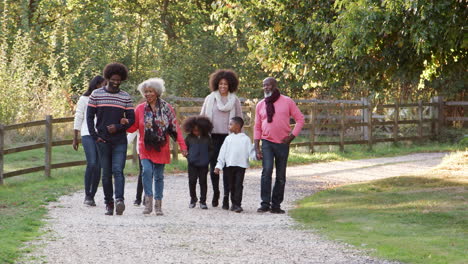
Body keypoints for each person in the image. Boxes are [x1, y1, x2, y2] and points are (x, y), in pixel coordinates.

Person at [126, 78, 187, 216]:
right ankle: (148, 203)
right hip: (145, 147)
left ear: (157, 92)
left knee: (159, 176)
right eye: (145, 92)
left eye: (150, 91)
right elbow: (133, 127)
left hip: (161, 147)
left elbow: (175, 128)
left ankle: (158, 205)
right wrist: (125, 123)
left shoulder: (167, 108)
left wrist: (183, 147)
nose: (147, 94)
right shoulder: (140, 109)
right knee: (146, 171)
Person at [87, 63, 135, 216]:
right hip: (103, 141)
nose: (116, 82)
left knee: (118, 170)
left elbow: (132, 119)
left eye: (119, 80)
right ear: (107, 78)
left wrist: (118, 127)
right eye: (113, 79)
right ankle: (109, 203)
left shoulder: (125, 97)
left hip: (119, 140)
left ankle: (119, 199)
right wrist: (95, 136)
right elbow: (89, 117)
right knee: (106, 173)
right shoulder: (96, 95)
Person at [254, 77, 304, 214]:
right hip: (267, 142)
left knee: (281, 175)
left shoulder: (287, 101)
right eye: (264, 85)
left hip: (282, 143)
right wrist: (256, 147)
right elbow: (257, 126)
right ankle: (265, 203)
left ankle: (276, 205)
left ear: (275, 85)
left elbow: (300, 119)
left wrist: (291, 137)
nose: (266, 88)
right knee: (267, 171)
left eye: (268, 85)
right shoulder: (260, 105)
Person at [200, 69, 242, 208]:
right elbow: (202, 118)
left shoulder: (234, 100)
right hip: (213, 137)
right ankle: (216, 192)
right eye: (220, 84)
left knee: (227, 167)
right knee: (214, 167)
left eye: (226, 84)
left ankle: (226, 196)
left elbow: (239, 120)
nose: (223, 86)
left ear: (230, 85)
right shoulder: (210, 98)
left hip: (229, 138)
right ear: (216, 84)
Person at [73, 75, 106, 206]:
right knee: (92, 163)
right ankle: (87, 194)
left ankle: (92, 195)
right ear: (97, 85)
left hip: (101, 134)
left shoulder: (104, 99)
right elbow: (79, 116)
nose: (105, 87)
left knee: (98, 166)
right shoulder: (84, 99)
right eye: (104, 84)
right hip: (87, 133)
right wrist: (75, 137)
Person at [214, 117, 252, 213]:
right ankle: (231, 202)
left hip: (241, 166)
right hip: (229, 166)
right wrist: (218, 166)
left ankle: (237, 204)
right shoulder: (228, 139)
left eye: (231, 124)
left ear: (237, 126)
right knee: (231, 185)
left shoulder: (246, 139)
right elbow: (222, 153)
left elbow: (251, 152)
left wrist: (257, 156)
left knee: (238, 185)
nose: (228, 126)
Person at [183, 116, 213, 209]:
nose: (196, 132)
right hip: (192, 164)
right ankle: (193, 199)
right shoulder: (189, 138)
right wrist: (189, 157)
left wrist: (207, 159)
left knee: (203, 182)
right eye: (194, 130)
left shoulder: (207, 138)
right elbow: (185, 149)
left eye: (198, 130)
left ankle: (203, 201)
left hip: (204, 165)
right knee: (192, 181)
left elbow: (211, 150)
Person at [127, 131, 143, 206]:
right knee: (143, 173)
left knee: (150, 173)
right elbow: (132, 132)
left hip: (154, 149)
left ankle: (147, 196)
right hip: (142, 150)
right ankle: (138, 198)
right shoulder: (139, 119)